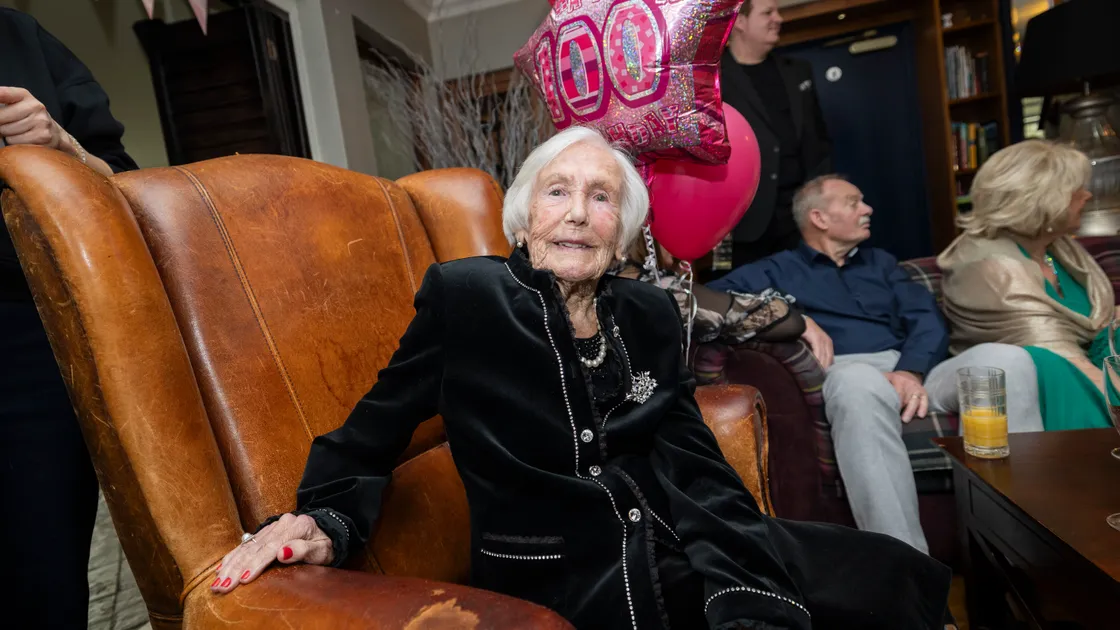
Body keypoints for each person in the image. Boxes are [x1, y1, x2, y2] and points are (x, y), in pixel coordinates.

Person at [210, 127, 952, 629]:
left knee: (896, 574)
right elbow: (369, 434)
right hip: (565, 574)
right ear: (524, 216)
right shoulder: (467, 300)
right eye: (557, 192)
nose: (578, 214)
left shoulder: (651, 314)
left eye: (601, 197)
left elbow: (698, 469)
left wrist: (742, 583)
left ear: (623, 228)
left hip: (679, 537)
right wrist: (324, 521)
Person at [709, 174, 1041, 557]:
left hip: (915, 372)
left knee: (1008, 359)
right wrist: (790, 316)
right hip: (850, 374)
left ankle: (1016, 547)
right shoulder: (777, 270)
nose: (867, 209)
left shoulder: (882, 264)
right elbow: (714, 296)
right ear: (819, 217)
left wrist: (910, 372)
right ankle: (908, 571)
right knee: (859, 384)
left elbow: (926, 319)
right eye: (853, 202)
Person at [0, 8, 137, 627]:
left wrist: (61, 145)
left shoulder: (19, 36)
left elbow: (125, 191)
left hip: (28, 343)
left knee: (43, 580)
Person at [939, 140, 1113, 431]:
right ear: (1043, 200)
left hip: (1083, 361)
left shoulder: (1057, 247)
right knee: (1051, 365)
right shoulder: (989, 267)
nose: (1087, 195)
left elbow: (1102, 327)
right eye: (1075, 191)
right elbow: (1061, 355)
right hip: (1052, 373)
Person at [720, 0, 832, 268]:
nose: (778, 18)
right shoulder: (714, 78)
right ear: (740, 22)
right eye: (768, 12)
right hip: (745, 223)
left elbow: (818, 139)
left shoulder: (798, 71)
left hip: (801, 217)